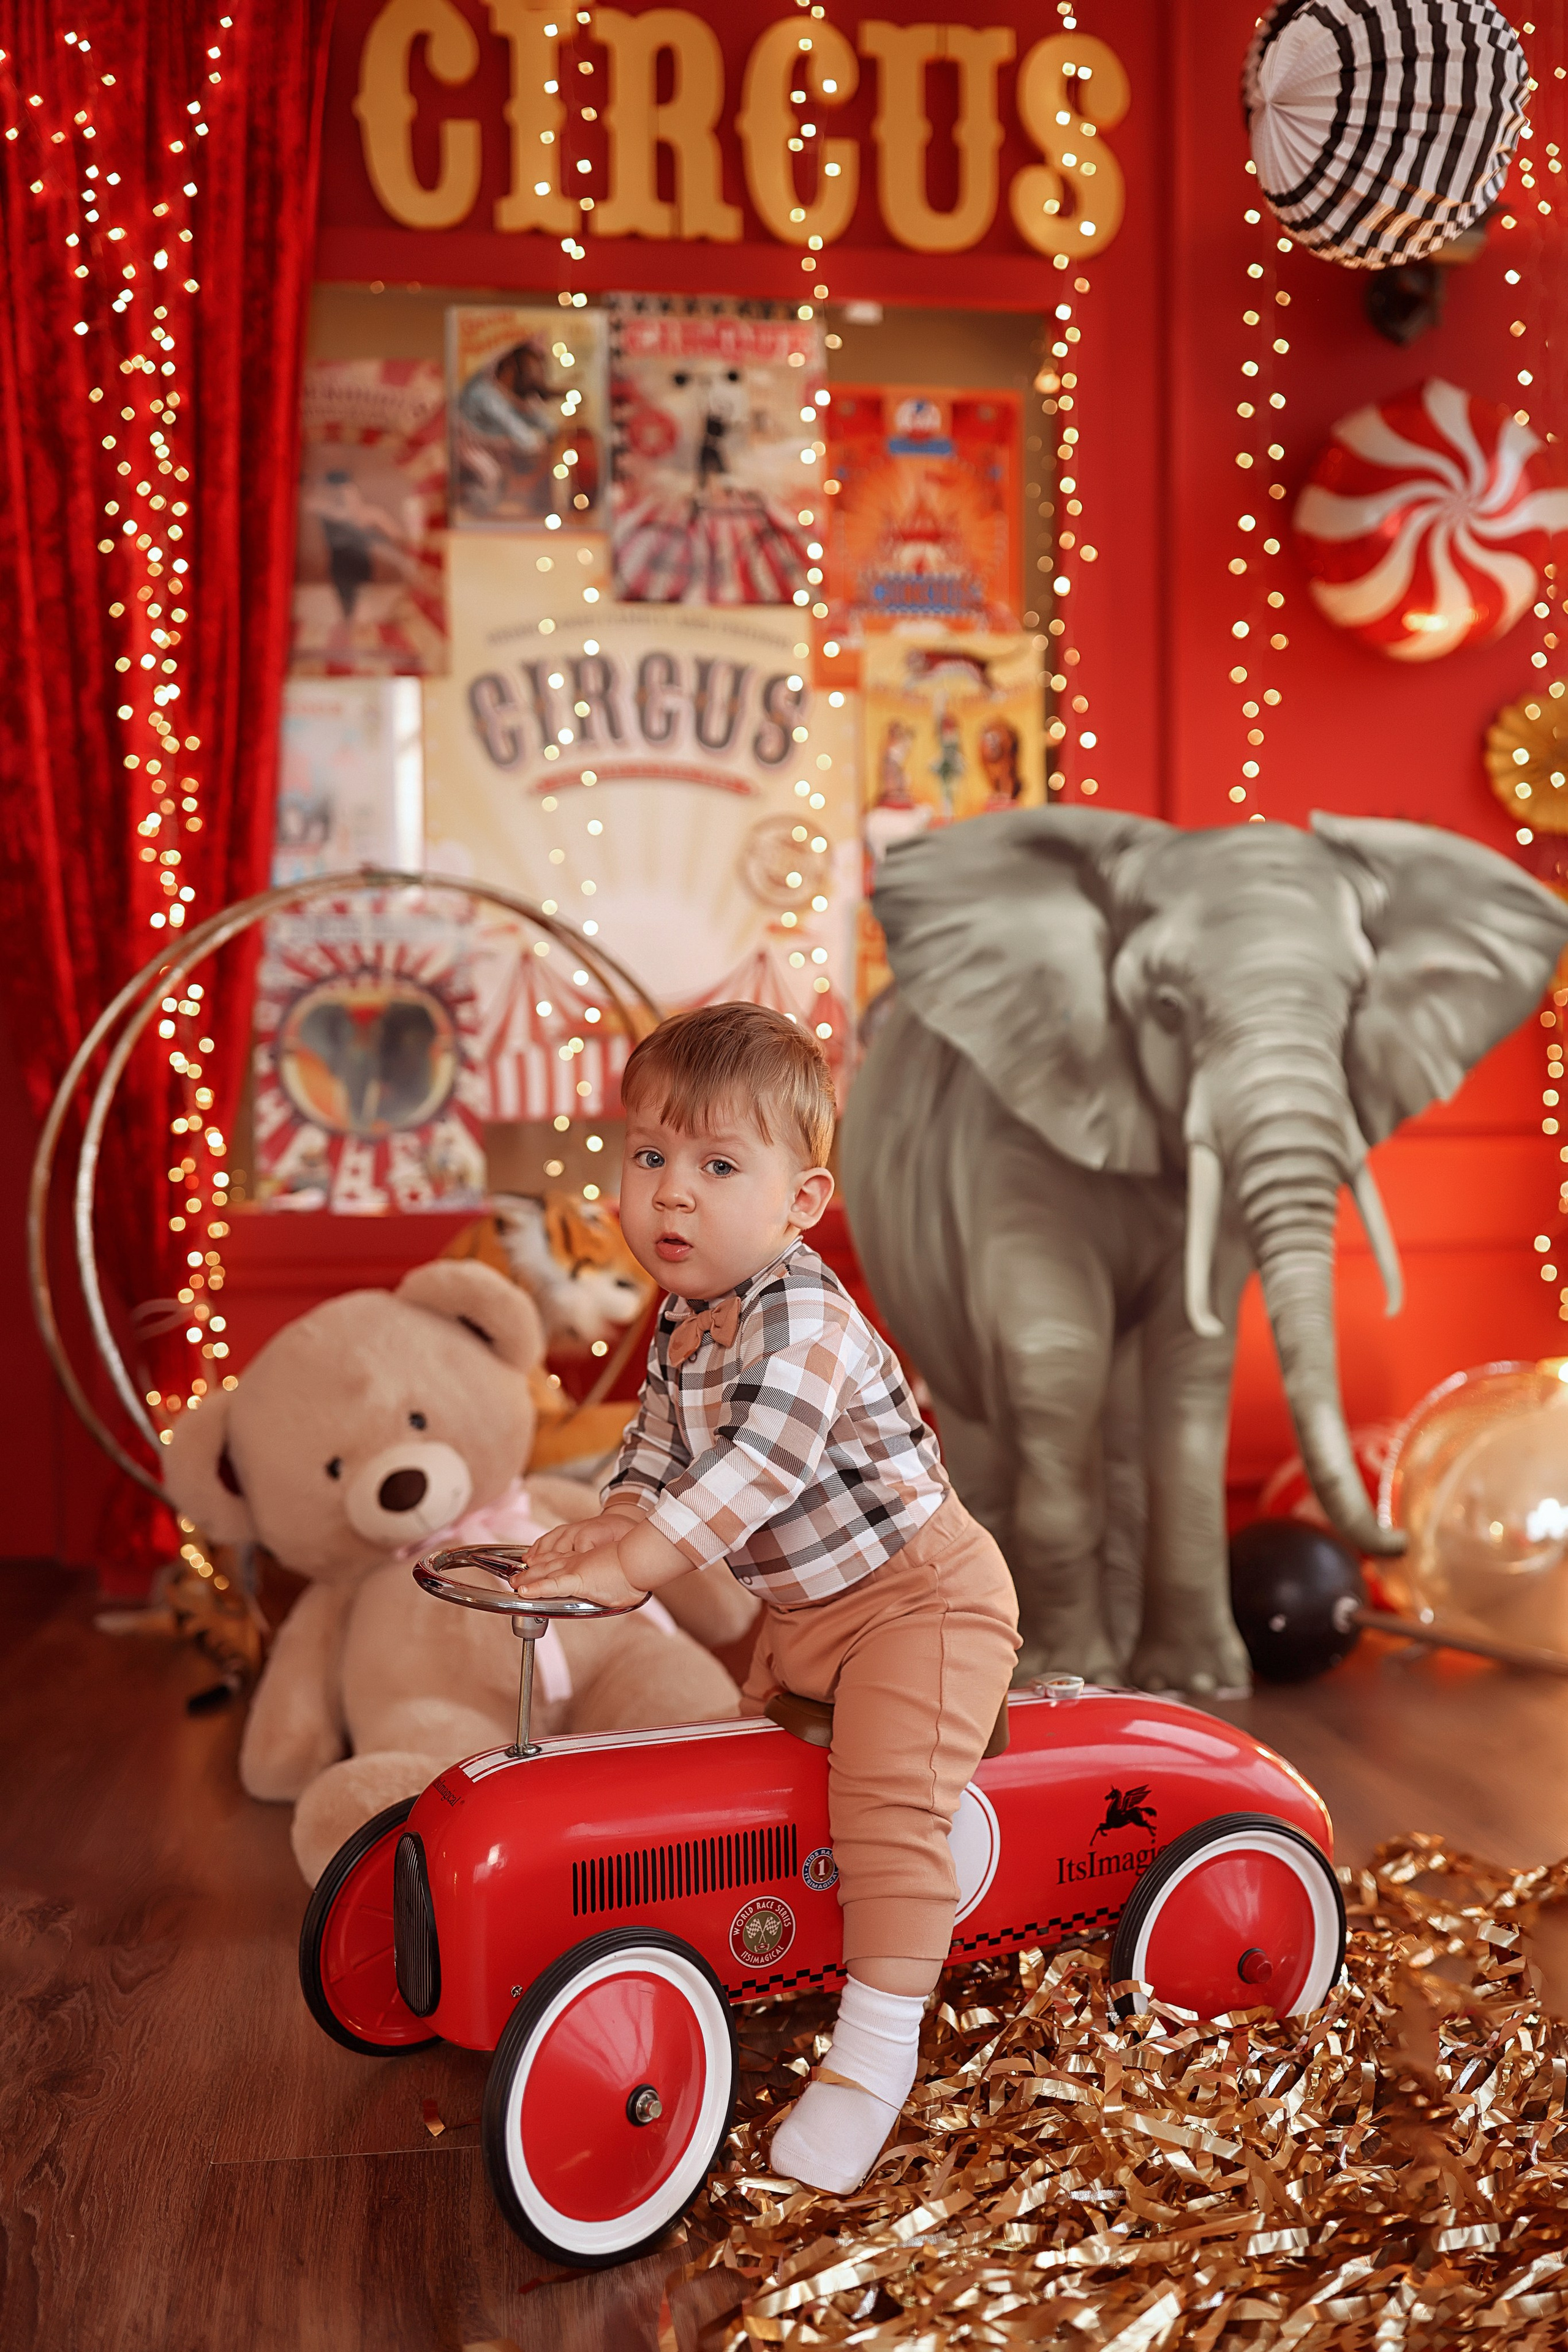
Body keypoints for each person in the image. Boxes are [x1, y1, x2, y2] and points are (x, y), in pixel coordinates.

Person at [510, 1001, 1020, 2193]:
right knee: (762, 1784)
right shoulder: (689, 1316)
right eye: (649, 1158)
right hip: (809, 1614)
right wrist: (604, 1521)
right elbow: (654, 1448)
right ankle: (770, 1948)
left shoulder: (806, 1322)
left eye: (717, 1165)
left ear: (802, 1203)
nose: (669, 1195)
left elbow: (749, 1476)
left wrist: (637, 1566)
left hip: (920, 1606)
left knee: (882, 1813)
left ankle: (874, 2060)